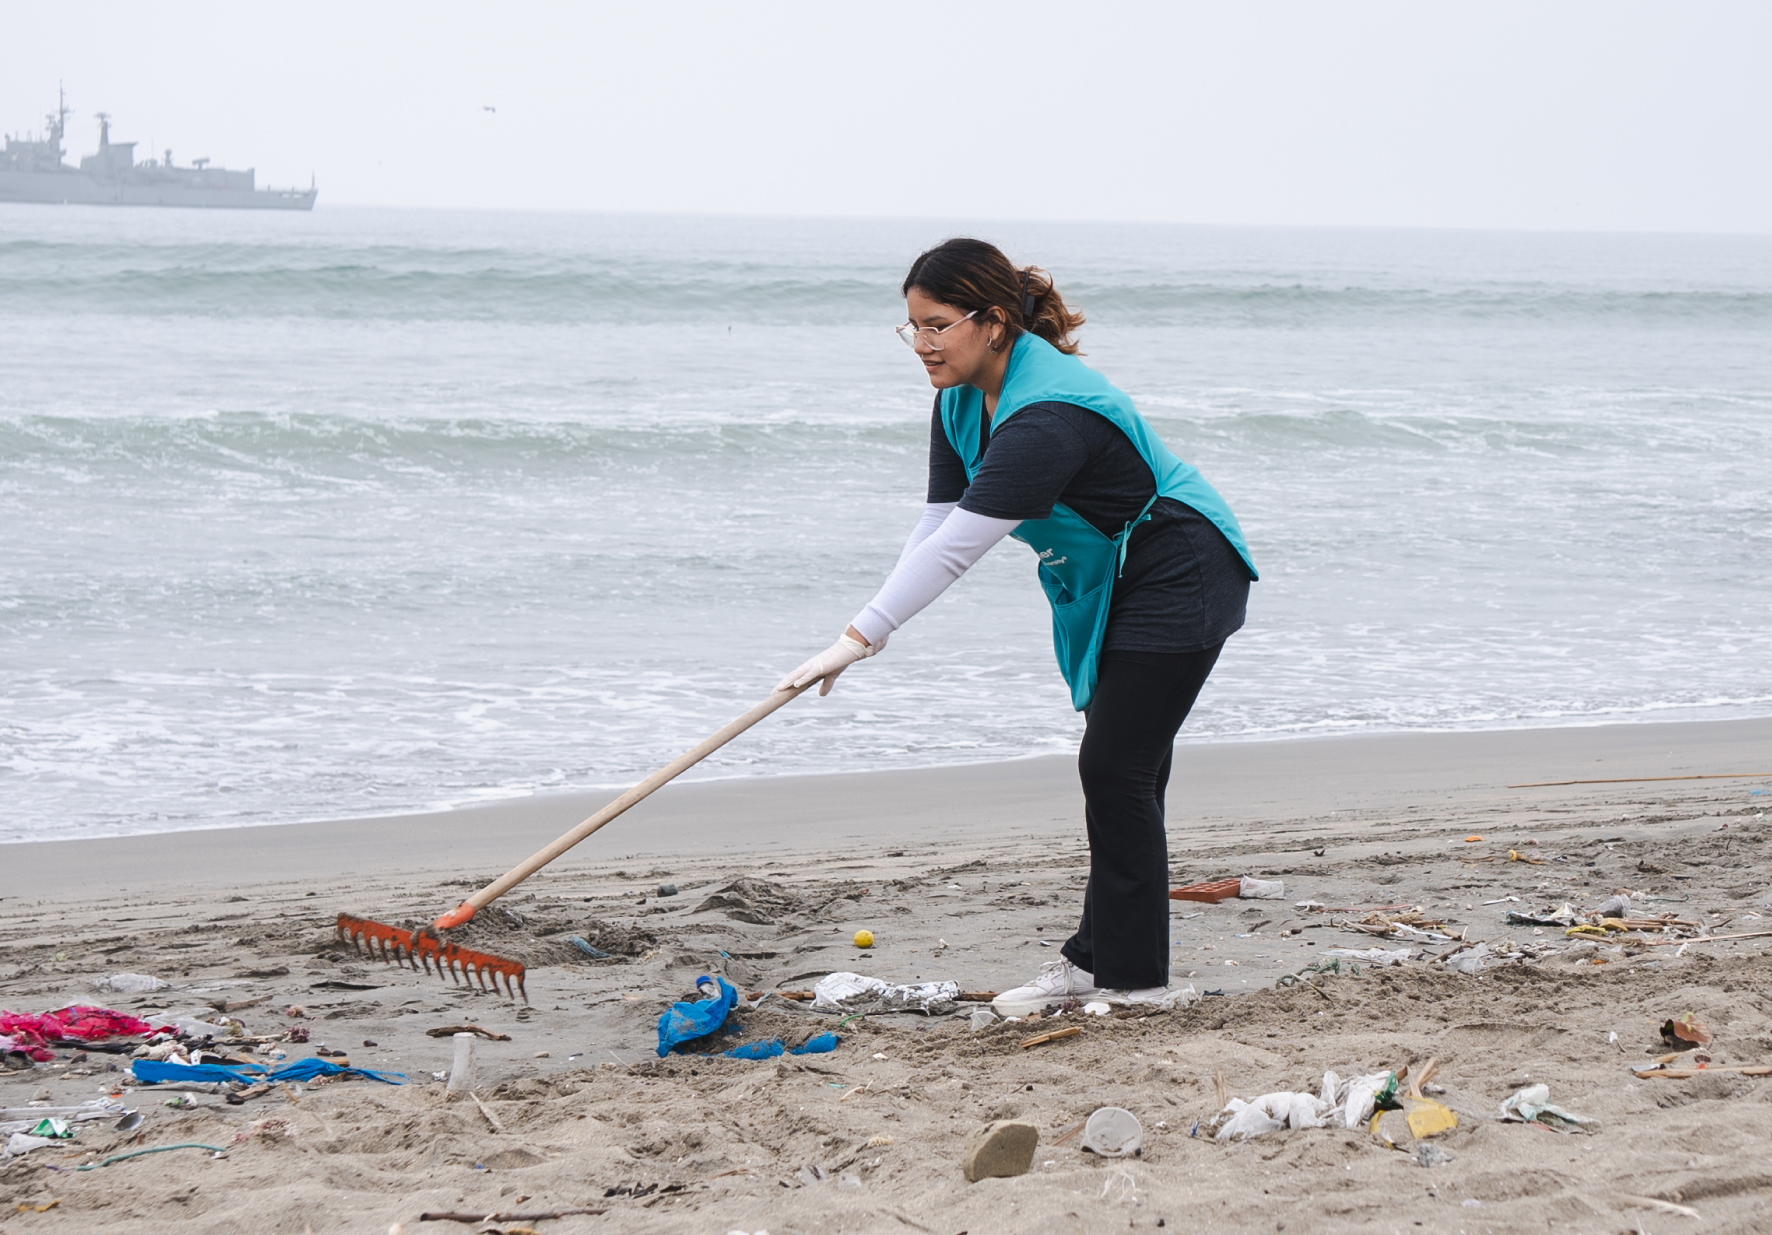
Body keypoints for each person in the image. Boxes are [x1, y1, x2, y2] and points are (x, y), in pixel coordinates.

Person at [777, 238, 1257, 1015]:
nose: (923, 345)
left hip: (1182, 567)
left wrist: (861, 636)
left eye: (937, 325)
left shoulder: (1047, 419)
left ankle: (1133, 983)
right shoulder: (960, 397)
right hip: (1120, 575)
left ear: (994, 322)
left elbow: (962, 549)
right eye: (912, 327)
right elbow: (936, 524)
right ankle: (1097, 960)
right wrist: (864, 630)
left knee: (1117, 769)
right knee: (1127, 769)